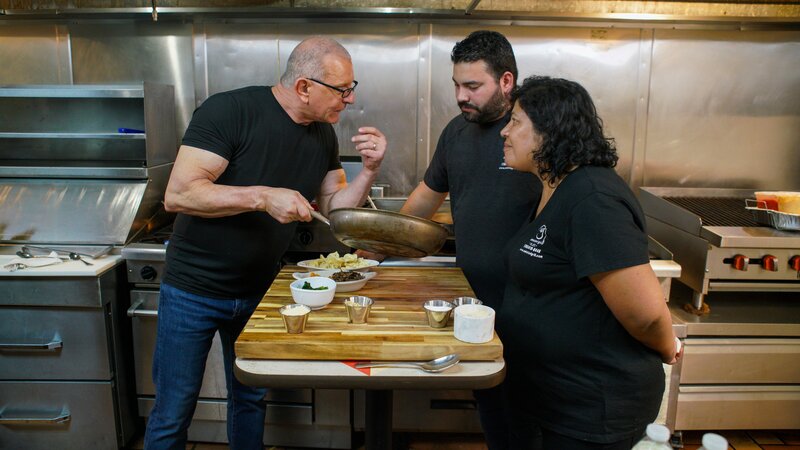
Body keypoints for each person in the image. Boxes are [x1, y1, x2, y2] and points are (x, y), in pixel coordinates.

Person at [143, 37, 386, 450]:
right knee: (174, 409)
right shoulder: (230, 111)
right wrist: (261, 196)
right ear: (304, 87)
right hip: (193, 292)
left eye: (352, 87)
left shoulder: (323, 135)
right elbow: (179, 195)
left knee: (250, 397)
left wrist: (369, 171)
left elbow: (335, 209)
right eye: (342, 89)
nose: (350, 98)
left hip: (259, 290)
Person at [360, 30, 540, 450]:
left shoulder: (531, 133)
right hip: (475, 303)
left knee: (529, 416)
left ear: (507, 82)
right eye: (457, 85)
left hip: (530, 304)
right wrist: (377, 244)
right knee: (492, 406)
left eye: (473, 86)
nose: (461, 96)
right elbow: (423, 200)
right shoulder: (457, 133)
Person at [497, 75, 683, 450]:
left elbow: (645, 314)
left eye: (515, 121)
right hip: (550, 399)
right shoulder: (556, 188)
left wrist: (667, 347)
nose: (505, 132)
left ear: (549, 131)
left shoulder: (593, 198)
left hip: (592, 410)